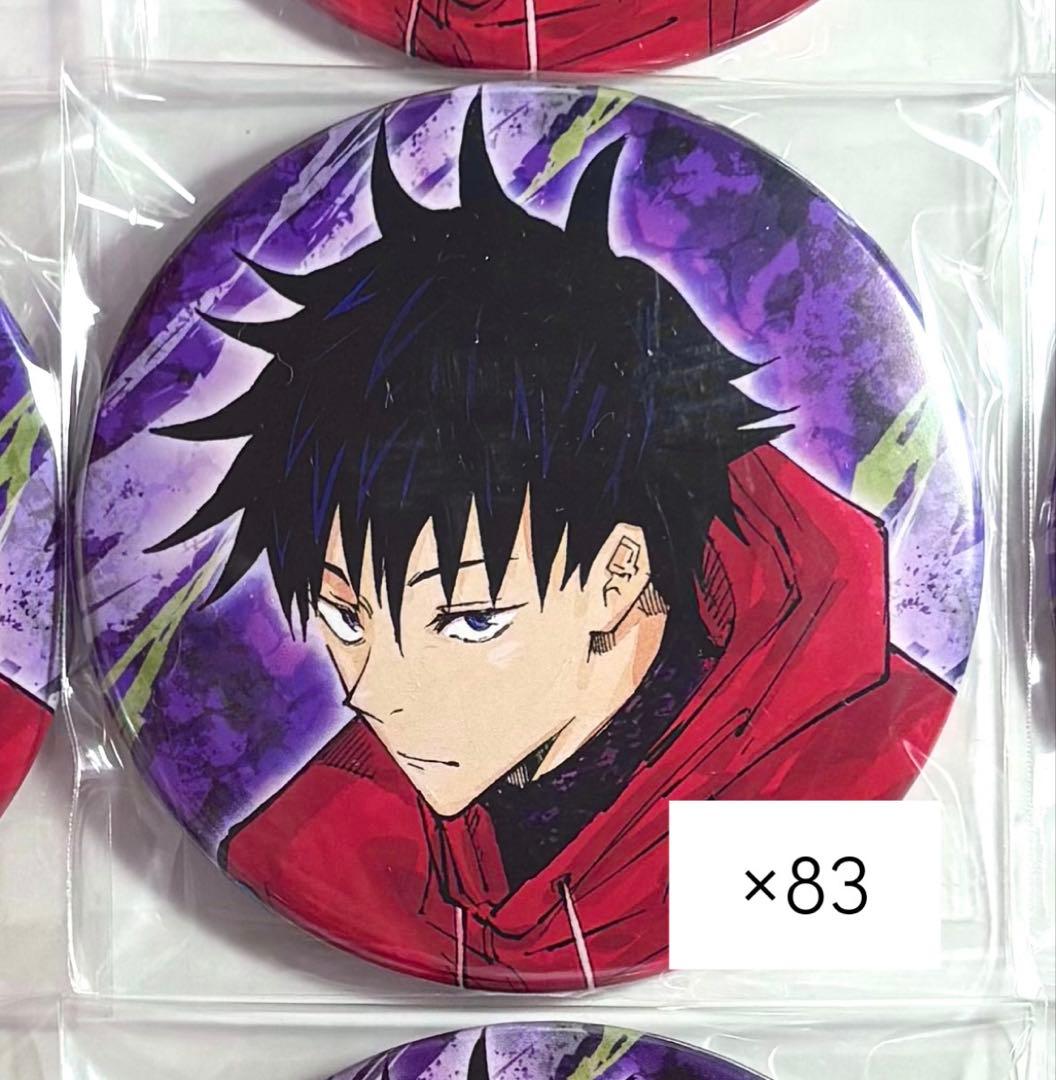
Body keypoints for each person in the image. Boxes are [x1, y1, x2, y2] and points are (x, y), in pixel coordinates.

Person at [152, 95, 954, 990]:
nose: (372, 693)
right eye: (346, 617)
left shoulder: (843, 765)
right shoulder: (323, 834)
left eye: (469, 620)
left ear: (619, 575)